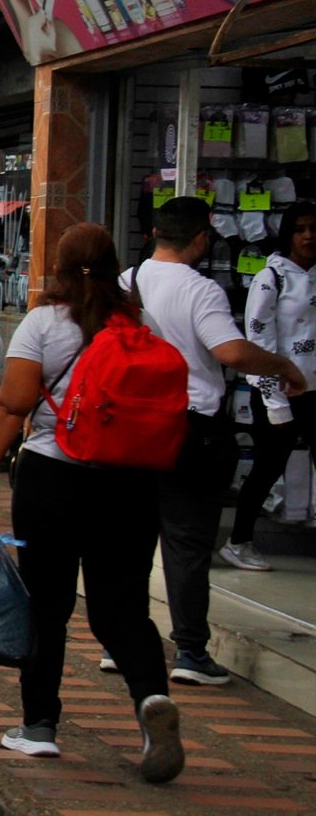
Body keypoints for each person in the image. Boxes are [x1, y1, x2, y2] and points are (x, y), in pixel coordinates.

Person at [0, 223, 185, 783]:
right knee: (124, 606)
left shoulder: (41, 323)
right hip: (131, 483)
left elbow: (12, 407)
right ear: (115, 266)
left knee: (46, 605)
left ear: (57, 268)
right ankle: (151, 700)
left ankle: (38, 726)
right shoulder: (140, 324)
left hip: (53, 480)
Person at [123, 197, 305, 685]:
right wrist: (284, 366)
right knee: (186, 543)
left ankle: (123, 643)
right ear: (202, 237)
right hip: (191, 428)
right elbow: (230, 351)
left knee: (133, 540)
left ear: (155, 233)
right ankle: (190, 652)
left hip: (134, 428)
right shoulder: (201, 290)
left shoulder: (129, 280)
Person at [232, 204, 316, 571]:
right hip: (279, 392)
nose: (308, 236)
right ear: (288, 234)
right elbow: (259, 339)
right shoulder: (272, 277)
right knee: (269, 467)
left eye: (313, 228)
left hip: (315, 391)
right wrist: (274, 401)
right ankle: (238, 541)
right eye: (300, 229)